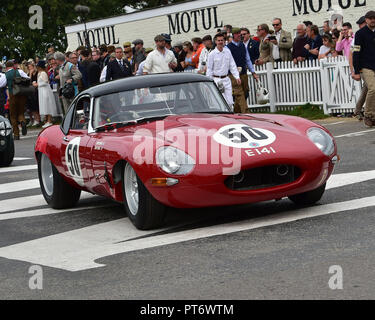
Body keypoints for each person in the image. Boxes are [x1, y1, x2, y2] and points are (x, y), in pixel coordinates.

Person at [227, 27, 259, 113]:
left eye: (240, 34)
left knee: (245, 92)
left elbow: (247, 59)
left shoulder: (243, 46)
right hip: (233, 74)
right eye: (237, 34)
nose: (239, 35)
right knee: (239, 93)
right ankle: (246, 112)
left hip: (244, 73)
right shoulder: (228, 48)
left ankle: (236, 112)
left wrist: (253, 72)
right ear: (233, 35)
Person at [352, 10, 375, 127]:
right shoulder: (360, 34)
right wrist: (356, 71)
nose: (373, 20)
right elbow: (356, 52)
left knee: (367, 90)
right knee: (373, 89)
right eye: (370, 18)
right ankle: (369, 115)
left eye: (374, 18)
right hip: (366, 67)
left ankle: (357, 111)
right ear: (366, 20)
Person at [206, 33, 240, 108]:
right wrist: (209, 83)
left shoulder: (228, 52)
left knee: (230, 102)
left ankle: (230, 116)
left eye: (222, 40)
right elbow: (209, 69)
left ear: (224, 41)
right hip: (217, 80)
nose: (220, 42)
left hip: (226, 79)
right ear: (216, 42)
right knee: (221, 102)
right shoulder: (212, 54)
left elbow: (232, 65)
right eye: (219, 40)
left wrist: (237, 77)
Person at [5, 60, 28, 139]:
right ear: (13, 66)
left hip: (13, 95)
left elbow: (2, 84)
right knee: (21, 112)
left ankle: (16, 134)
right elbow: (28, 78)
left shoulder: (6, 74)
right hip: (21, 94)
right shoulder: (20, 71)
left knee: (13, 115)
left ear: (7, 67)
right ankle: (22, 121)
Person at [350, 16, 367, 120]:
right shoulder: (358, 35)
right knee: (371, 88)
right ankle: (368, 112)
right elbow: (351, 54)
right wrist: (353, 70)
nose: (359, 27)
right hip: (363, 67)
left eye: (361, 24)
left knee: (367, 88)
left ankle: (357, 110)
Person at [33, 60, 59, 128]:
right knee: (44, 105)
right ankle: (46, 120)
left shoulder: (43, 73)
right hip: (41, 91)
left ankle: (49, 121)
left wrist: (37, 84)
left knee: (47, 104)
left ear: (40, 67)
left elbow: (45, 82)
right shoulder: (40, 73)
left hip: (45, 91)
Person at [26, 61, 40, 127]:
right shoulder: (29, 74)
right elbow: (28, 82)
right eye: (29, 67)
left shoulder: (37, 73)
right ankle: (35, 119)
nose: (30, 68)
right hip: (31, 92)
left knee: (36, 106)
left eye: (31, 66)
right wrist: (30, 74)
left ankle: (38, 119)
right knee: (32, 107)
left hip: (37, 90)